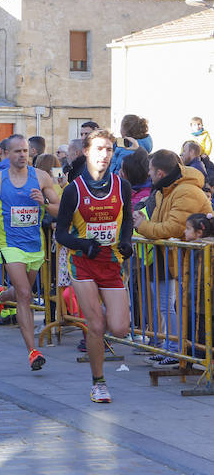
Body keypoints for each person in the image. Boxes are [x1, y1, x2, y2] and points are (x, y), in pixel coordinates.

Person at [55, 130, 133, 403]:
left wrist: (125, 241)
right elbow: (60, 234)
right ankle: (98, 383)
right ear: (86, 152)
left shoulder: (121, 186)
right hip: (83, 264)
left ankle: (99, 313)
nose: (105, 155)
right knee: (97, 326)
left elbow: (127, 221)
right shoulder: (73, 190)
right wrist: (82, 244)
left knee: (121, 327)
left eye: (109, 149)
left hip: (111, 262)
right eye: (99, 149)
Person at [0, 134, 60, 371]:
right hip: (10, 244)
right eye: (17, 151)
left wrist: (44, 204)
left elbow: (59, 209)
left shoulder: (42, 177)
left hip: (35, 246)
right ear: (6, 154)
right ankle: (32, 351)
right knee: (25, 294)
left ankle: (2, 296)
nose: (22, 155)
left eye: (25, 151)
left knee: (21, 292)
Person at [133, 149, 211, 362]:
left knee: (173, 306)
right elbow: (161, 224)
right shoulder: (164, 190)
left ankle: (178, 348)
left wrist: (143, 225)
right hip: (168, 257)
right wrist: (145, 222)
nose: (148, 174)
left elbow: (172, 228)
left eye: (150, 170)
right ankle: (171, 346)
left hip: (188, 260)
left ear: (159, 172)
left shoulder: (185, 191)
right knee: (166, 305)